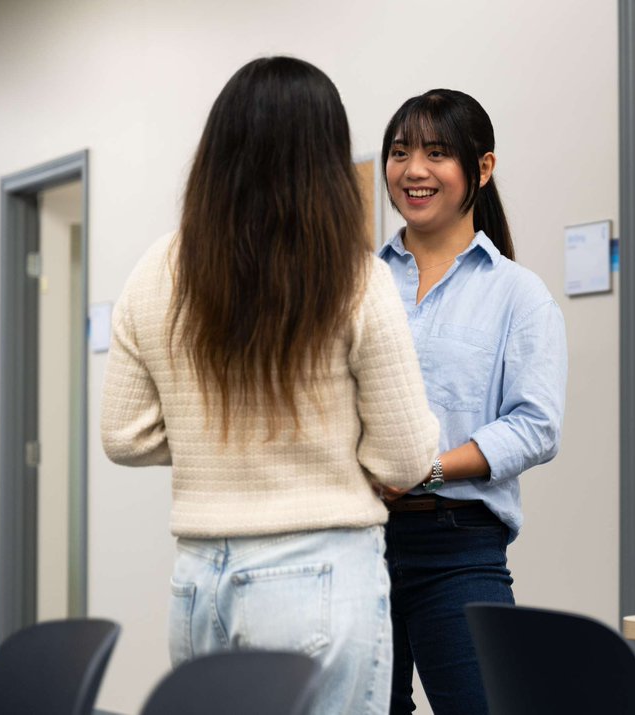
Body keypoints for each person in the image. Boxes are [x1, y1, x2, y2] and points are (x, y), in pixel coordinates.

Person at [100, 57, 439, 715]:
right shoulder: (352, 274)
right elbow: (405, 458)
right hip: (320, 572)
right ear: (325, 158)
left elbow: (123, 434)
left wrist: (214, 443)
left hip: (198, 581)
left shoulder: (156, 269)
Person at [376, 89, 568, 715]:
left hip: (458, 548)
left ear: (481, 169)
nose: (413, 170)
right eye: (400, 152)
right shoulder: (359, 285)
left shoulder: (518, 294)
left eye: (436, 153)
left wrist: (427, 468)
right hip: (355, 540)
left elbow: (536, 426)